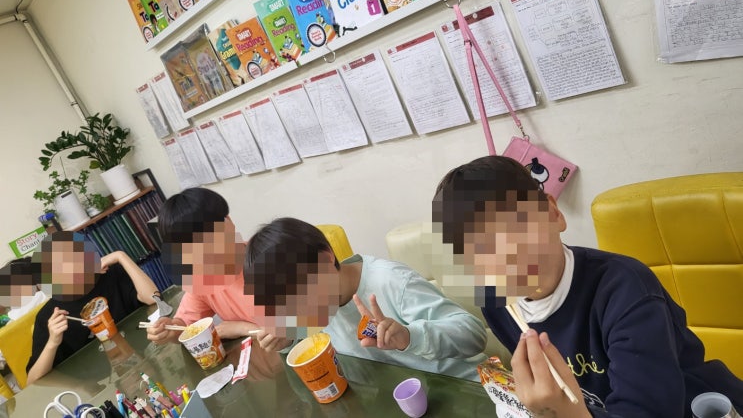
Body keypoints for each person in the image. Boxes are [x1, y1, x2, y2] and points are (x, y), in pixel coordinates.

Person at [432, 155, 743, 418]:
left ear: (553, 213)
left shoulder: (625, 290)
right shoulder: (497, 302)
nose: (507, 255)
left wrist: (566, 413)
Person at [243, 217, 487, 381]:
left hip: (466, 389)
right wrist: (287, 339)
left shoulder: (391, 281)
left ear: (326, 258)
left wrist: (410, 336)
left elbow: (474, 335)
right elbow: (308, 344)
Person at [26, 232, 157, 384]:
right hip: (104, 384)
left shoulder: (111, 274)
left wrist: (120, 256)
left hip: (146, 355)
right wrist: (53, 342)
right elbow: (33, 380)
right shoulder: (49, 315)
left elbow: (153, 298)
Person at [146, 187, 262, 345]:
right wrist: (170, 330)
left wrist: (242, 329)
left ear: (228, 221)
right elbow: (186, 326)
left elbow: (294, 329)